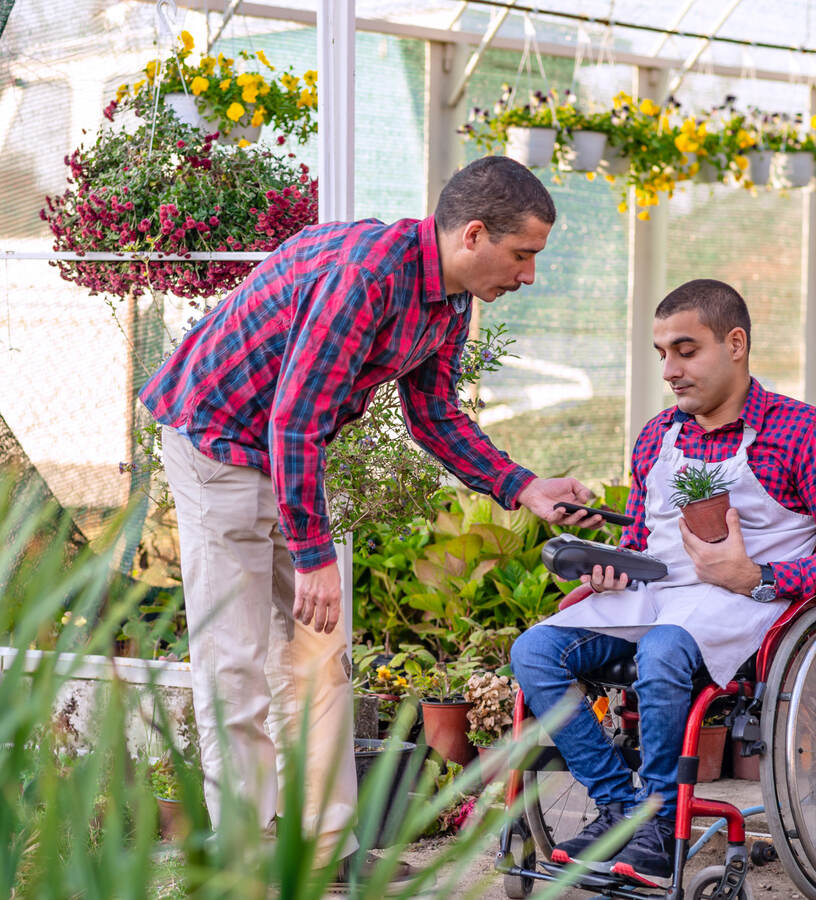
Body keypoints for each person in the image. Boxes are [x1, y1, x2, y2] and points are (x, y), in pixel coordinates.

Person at [138, 155, 601, 883]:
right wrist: (315, 552)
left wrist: (523, 486)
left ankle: (329, 851)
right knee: (235, 661)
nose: (529, 274)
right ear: (474, 235)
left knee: (319, 655)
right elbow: (295, 420)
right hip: (217, 440)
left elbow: (435, 415)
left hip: (285, 451)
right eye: (524, 255)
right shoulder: (366, 279)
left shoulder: (447, 301)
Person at [510, 278, 816, 881]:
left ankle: (662, 823)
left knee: (664, 649)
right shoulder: (656, 436)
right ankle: (620, 806)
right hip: (655, 597)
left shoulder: (806, 433)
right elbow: (641, 543)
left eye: (686, 350)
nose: (670, 369)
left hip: (748, 605)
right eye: (662, 353)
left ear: (735, 343)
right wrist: (608, 567)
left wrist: (759, 575)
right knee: (534, 649)